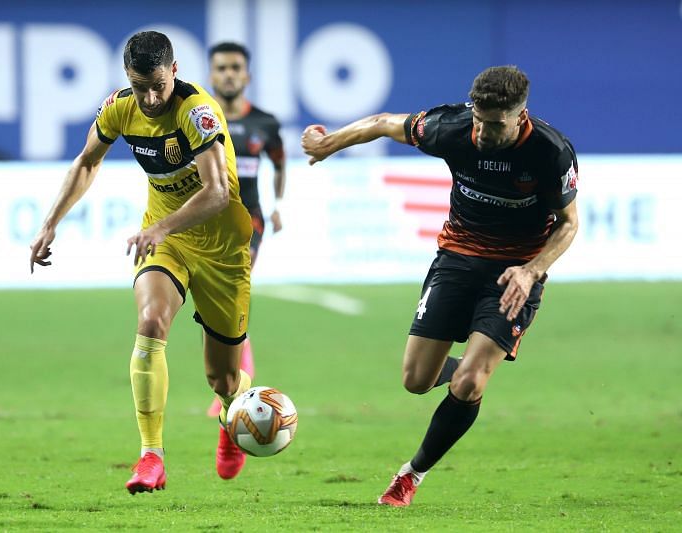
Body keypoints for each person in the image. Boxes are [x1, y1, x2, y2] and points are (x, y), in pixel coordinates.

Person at [301, 66, 579, 507]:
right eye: (479, 119)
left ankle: (411, 475)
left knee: (469, 383)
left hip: (513, 275)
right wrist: (328, 143)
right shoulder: (452, 128)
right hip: (457, 260)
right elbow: (382, 123)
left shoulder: (550, 152)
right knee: (415, 380)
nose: (484, 132)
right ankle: (472, 369)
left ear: (521, 114)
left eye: (496, 124)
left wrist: (531, 271)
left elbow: (568, 225)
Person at [29, 30, 255, 493]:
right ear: (127, 79)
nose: (150, 98)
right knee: (151, 322)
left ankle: (233, 412)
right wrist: (50, 222)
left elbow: (218, 192)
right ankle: (151, 456)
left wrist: (161, 226)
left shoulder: (197, 113)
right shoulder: (120, 108)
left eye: (158, 84)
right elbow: (87, 161)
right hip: (166, 241)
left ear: (174, 71)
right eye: (139, 86)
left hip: (222, 250)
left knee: (223, 376)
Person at [204, 41, 287, 416]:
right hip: (204, 224)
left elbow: (281, 164)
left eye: (235, 67)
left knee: (234, 292)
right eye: (221, 68)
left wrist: (278, 206)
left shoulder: (264, 124)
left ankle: (239, 377)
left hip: (248, 219)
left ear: (247, 75)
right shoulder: (199, 118)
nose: (229, 74)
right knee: (211, 307)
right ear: (211, 75)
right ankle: (230, 375)